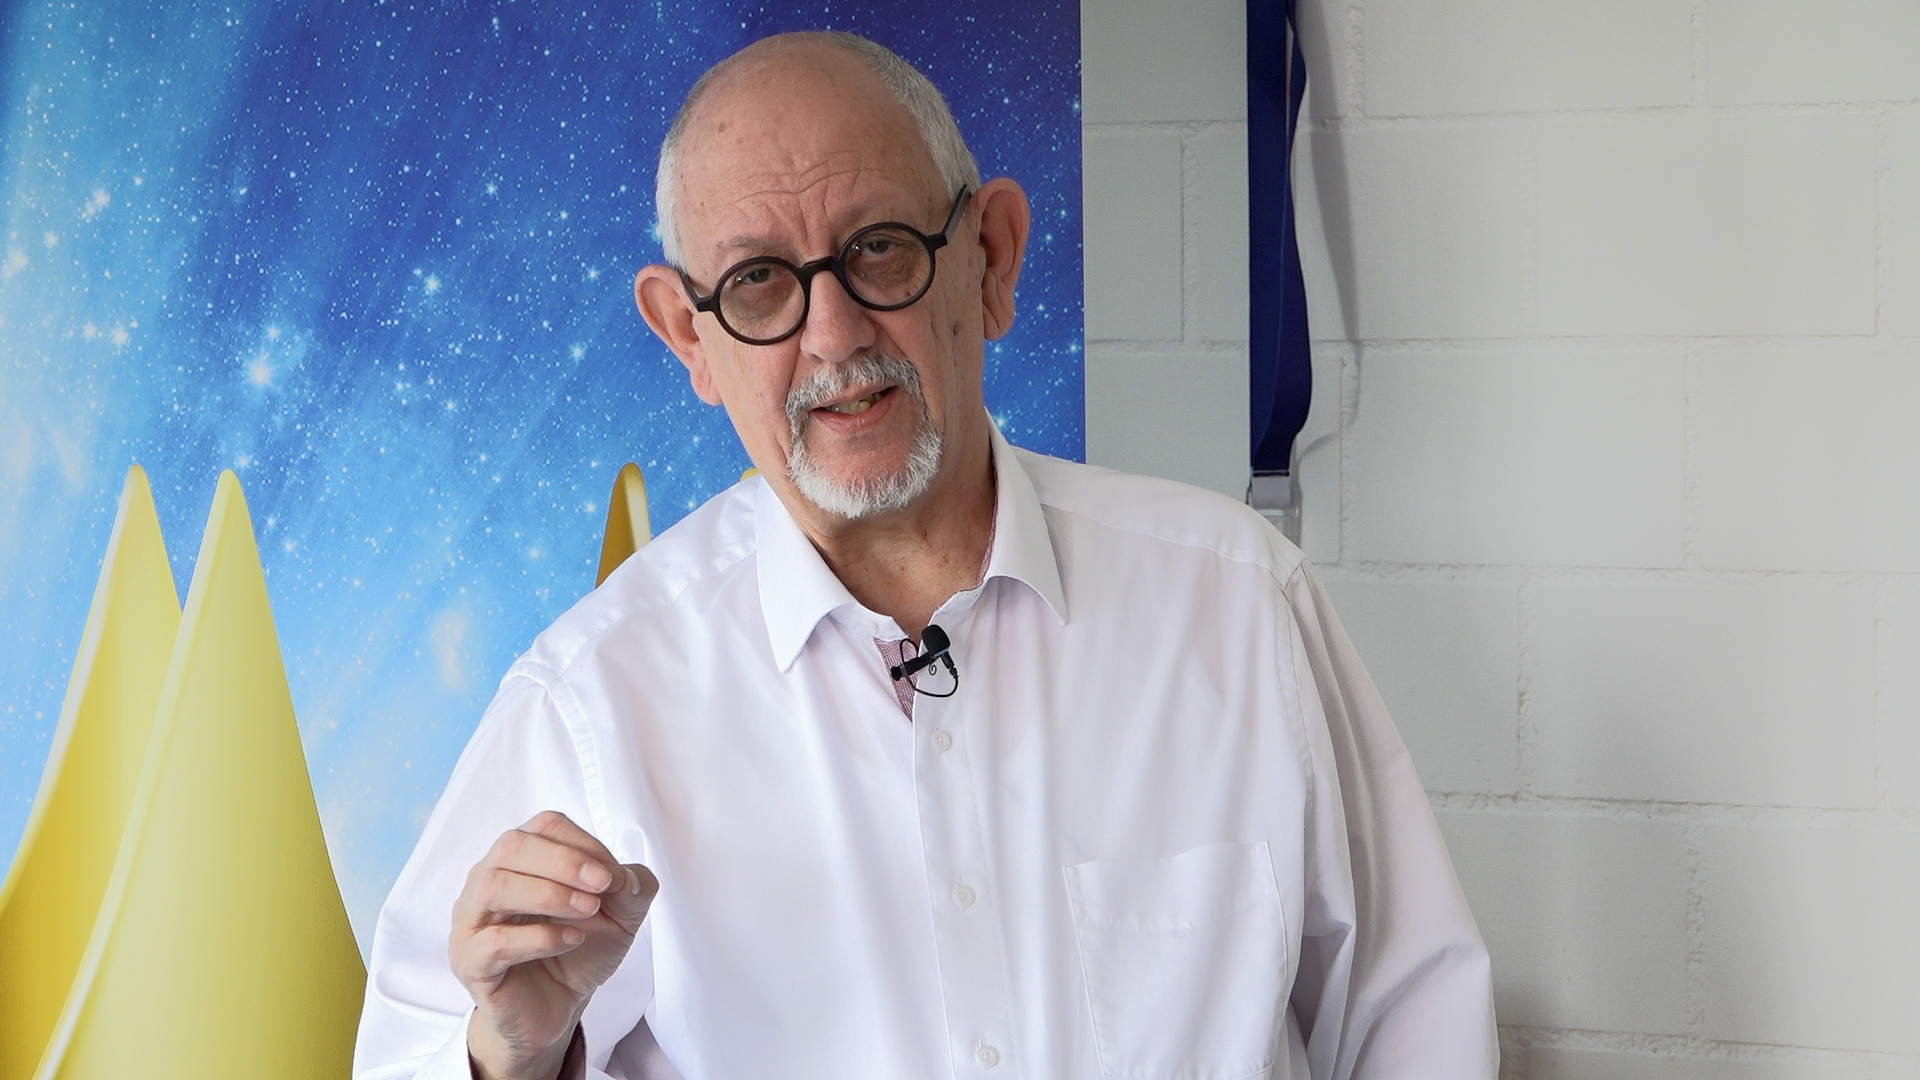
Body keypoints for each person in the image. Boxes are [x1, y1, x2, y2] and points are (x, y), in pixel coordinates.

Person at [352, 30, 1497, 1080]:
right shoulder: (590, 703)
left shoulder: (1236, 603)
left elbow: (1417, 1026)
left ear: (991, 258)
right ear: (688, 334)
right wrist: (510, 1056)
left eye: (880, 250)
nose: (834, 335)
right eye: (758, 282)